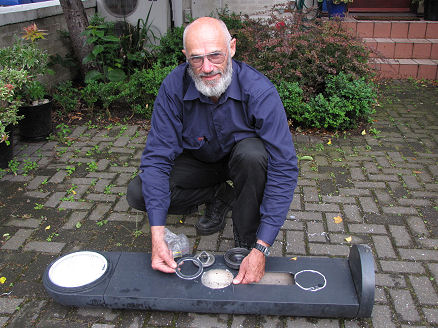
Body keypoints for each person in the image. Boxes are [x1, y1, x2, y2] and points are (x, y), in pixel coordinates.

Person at [127, 16, 298, 284]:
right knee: (138, 193)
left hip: (242, 163)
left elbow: (284, 167)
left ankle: (246, 241)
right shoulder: (173, 88)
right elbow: (157, 159)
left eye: (216, 55)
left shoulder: (260, 91)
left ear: (232, 48)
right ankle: (219, 194)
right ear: (185, 56)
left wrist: (262, 248)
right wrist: (157, 236)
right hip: (199, 162)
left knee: (254, 155)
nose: (207, 68)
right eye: (196, 59)